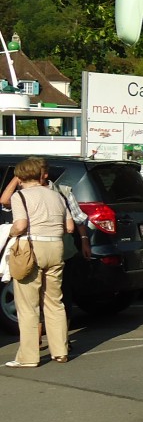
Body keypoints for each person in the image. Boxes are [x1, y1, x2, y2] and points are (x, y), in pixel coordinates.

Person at [5, 156, 74, 367]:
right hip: (56, 247)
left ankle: (28, 357)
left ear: (20, 176)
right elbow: (69, 227)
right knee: (54, 301)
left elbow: (20, 224)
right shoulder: (57, 196)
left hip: (32, 248)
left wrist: (10, 232)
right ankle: (60, 351)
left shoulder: (21, 197)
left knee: (28, 306)